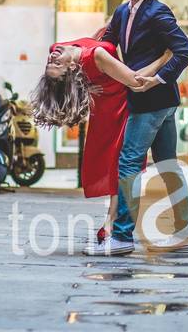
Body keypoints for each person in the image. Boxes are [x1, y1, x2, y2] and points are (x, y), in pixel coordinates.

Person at [84, 0, 188, 256]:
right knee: (167, 165)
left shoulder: (159, 13)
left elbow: (186, 51)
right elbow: (105, 47)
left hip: (153, 102)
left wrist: (158, 77)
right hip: (159, 102)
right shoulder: (122, 11)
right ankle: (185, 231)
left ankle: (122, 236)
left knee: (129, 162)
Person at [30, 36, 171, 239]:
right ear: (70, 68)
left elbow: (97, 37)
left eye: (50, 63)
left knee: (125, 161)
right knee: (118, 163)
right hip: (119, 105)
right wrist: (165, 57)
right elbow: (134, 81)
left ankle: (111, 224)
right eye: (56, 64)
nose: (52, 57)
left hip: (105, 103)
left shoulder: (56, 47)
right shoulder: (96, 57)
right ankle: (111, 224)